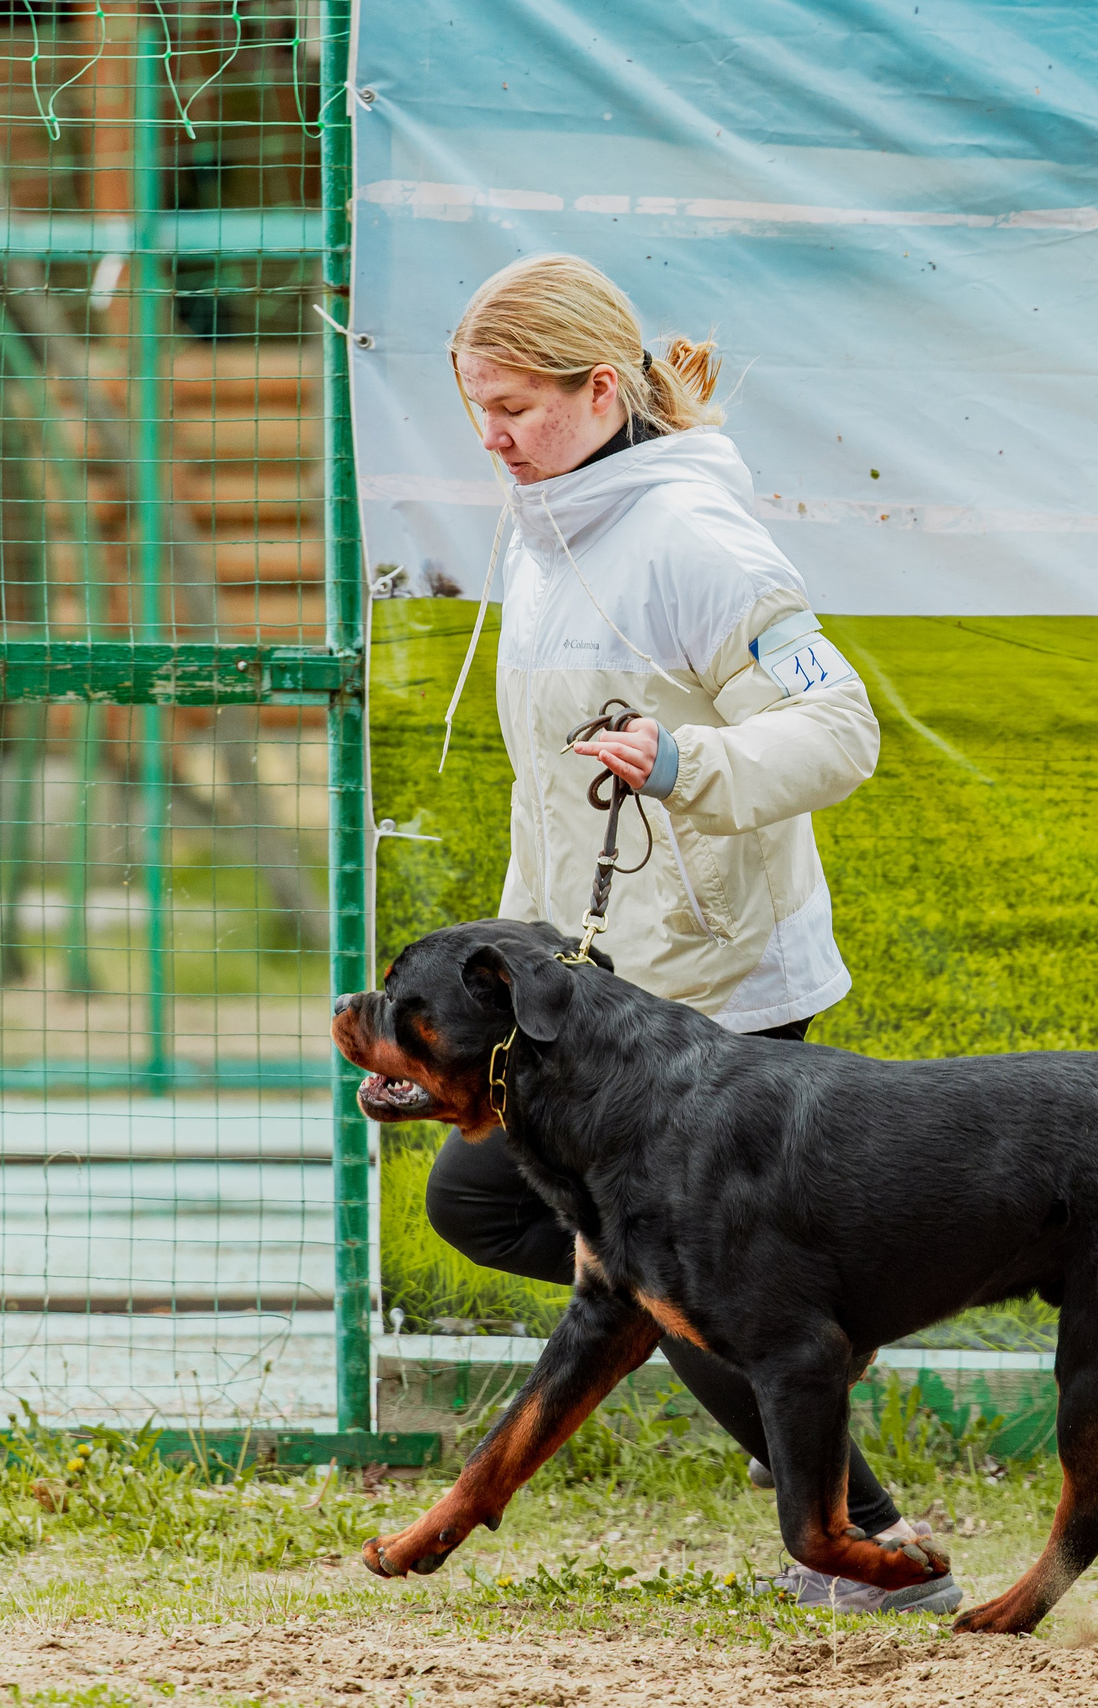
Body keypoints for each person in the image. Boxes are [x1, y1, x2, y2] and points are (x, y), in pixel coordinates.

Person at [419, 253, 956, 1615]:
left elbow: (840, 732)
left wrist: (684, 766)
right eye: (475, 407)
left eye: (513, 408)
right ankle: (810, 1373)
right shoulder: (544, 529)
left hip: (716, 986)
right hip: (598, 998)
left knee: (661, 1260)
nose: (490, 437)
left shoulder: (696, 544)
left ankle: (866, 1538)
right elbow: (554, 795)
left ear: (603, 391)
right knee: (532, 1218)